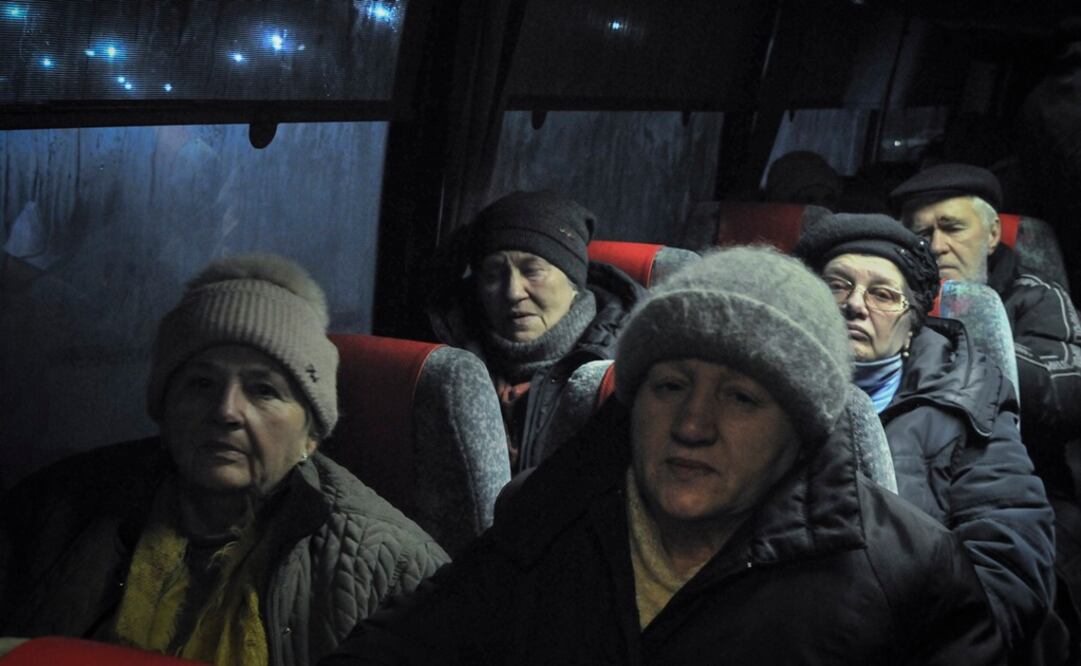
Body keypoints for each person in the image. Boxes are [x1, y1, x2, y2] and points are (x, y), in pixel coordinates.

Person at [322, 246, 1004, 665]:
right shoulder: (549, 516)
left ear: (797, 432)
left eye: (741, 398)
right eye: (670, 387)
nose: (692, 426)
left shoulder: (906, 574)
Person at [0, 254, 449, 665]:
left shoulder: (391, 568)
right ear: (163, 406)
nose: (226, 411)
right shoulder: (52, 512)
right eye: (201, 383)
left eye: (263, 390)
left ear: (311, 435)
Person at [793, 213, 1055, 655]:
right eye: (836, 286)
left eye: (882, 294)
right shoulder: (761, 394)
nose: (854, 304)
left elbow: (1007, 561)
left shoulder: (968, 400)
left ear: (911, 327)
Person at [891, 166, 1081, 602]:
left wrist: (963, 339)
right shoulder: (884, 302)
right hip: (910, 481)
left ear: (992, 234)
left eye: (952, 227)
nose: (937, 245)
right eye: (921, 234)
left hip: (1027, 483)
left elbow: (1068, 389)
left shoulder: (1034, 295)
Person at [427, 189, 645, 472]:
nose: (513, 292)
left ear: (574, 281)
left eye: (532, 271)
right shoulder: (450, 357)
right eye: (493, 275)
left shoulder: (626, 370)